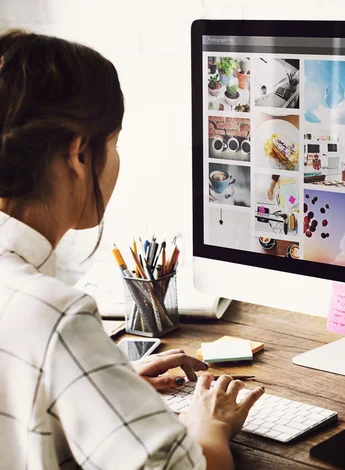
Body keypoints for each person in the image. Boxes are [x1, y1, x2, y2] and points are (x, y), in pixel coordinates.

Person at [0, 30, 263, 469]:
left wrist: (103, 385)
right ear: (79, 155)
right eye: (114, 143)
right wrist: (210, 425)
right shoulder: (53, 316)